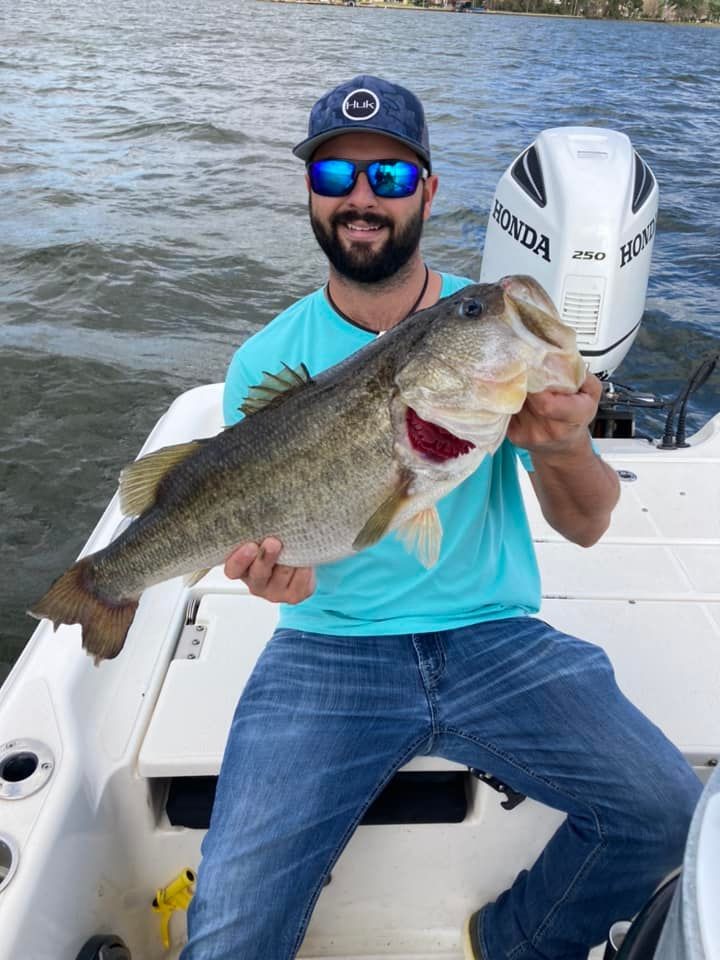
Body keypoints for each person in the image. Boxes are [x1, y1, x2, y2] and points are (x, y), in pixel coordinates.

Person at [181, 75, 701, 960]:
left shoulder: (490, 325)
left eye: (388, 176)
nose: (361, 197)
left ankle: (514, 941)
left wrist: (565, 446)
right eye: (337, 175)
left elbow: (587, 526)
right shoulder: (266, 361)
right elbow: (277, 547)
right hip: (328, 647)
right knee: (229, 932)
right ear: (310, 192)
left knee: (667, 810)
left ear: (426, 190)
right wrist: (279, 578)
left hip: (495, 635)